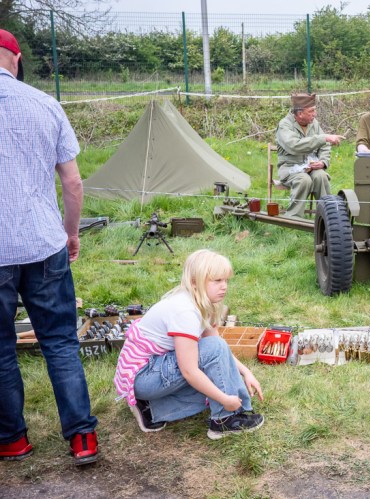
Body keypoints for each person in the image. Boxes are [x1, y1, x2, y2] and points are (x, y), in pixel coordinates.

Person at [0, 29, 99, 466]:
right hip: (43, 243)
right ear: (15, 59)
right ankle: (82, 439)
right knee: (60, 341)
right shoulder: (45, 104)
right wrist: (70, 232)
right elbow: (73, 182)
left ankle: (13, 440)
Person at [114, 249, 265, 440]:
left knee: (217, 375)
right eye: (217, 281)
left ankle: (151, 410)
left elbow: (218, 347)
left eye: (226, 280)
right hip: (144, 375)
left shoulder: (202, 302)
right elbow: (189, 370)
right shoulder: (185, 311)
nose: (224, 286)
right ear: (195, 282)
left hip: (153, 369)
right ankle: (223, 420)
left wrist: (245, 372)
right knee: (214, 381)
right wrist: (225, 399)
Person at [276, 93, 345, 218]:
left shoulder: (314, 123)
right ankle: (294, 219)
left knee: (321, 176)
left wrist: (323, 162)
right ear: (300, 113)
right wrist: (323, 138)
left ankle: (329, 217)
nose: (315, 114)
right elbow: (294, 146)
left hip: (312, 167)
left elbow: (324, 146)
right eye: (311, 111)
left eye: (315, 110)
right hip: (290, 168)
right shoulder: (284, 125)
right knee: (304, 180)